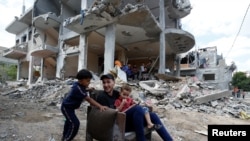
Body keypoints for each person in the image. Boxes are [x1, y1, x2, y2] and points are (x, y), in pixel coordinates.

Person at [96, 73, 173, 141]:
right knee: (137, 109)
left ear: (114, 83)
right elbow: (107, 117)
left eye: (108, 82)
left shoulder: (117, 93)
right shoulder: (102, 97)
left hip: (126, 121)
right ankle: (141, 139)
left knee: (153, 115)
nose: (106, 85)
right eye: (104, 83)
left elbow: (130, 100)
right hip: (115, 125)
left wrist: (145, 105)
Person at [61, 69, 108, 141]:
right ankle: (67, 139)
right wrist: (100, 106)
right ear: (81, 80)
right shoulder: (78, 89)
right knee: (75, 124)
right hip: (67, 108)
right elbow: (89, 99)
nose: (89, 83)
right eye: (88, 81)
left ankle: (65, 137)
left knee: (69, 122)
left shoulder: (78, 85)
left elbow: (82, 89)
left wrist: (88, 89)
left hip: (69, 107)